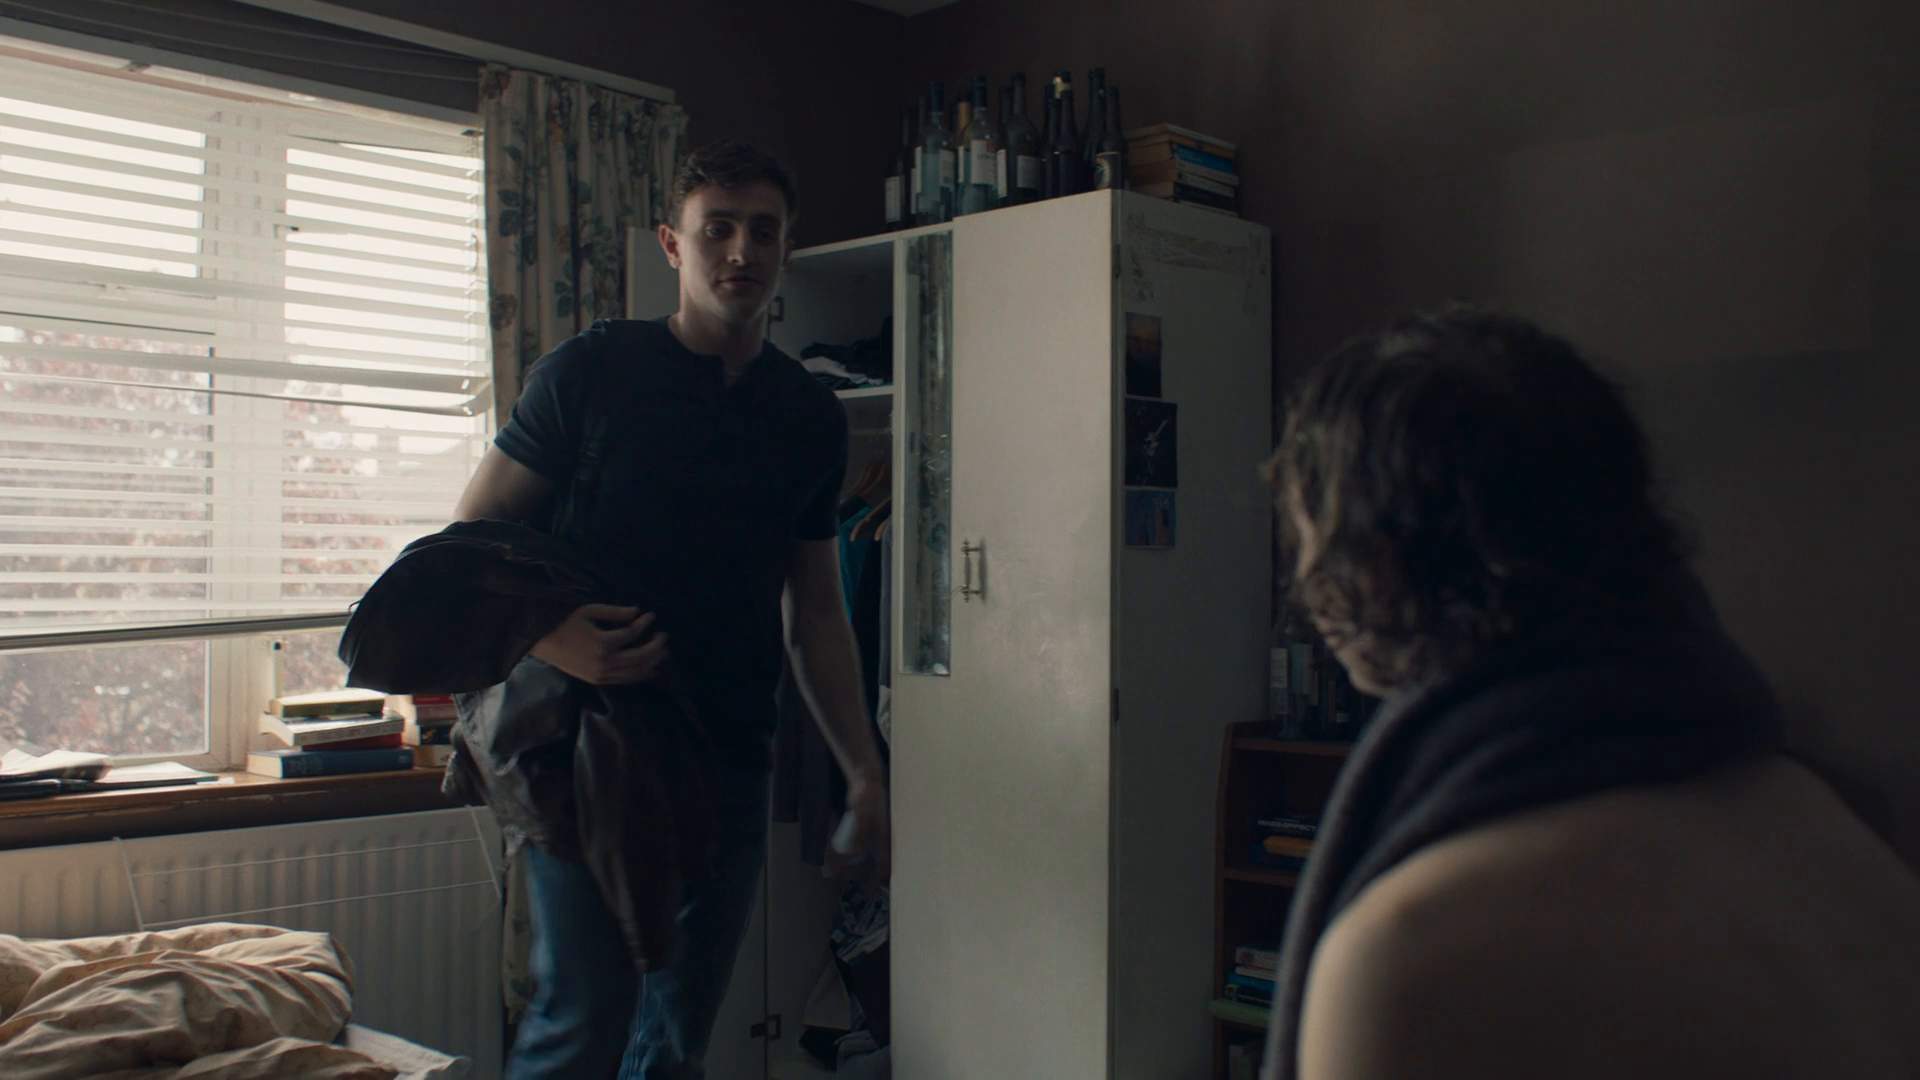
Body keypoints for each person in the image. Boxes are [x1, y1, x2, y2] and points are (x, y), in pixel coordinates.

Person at [1259, 307, 1920, 1080]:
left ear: (1380, 560)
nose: (1304, 581)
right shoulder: (1825, 828)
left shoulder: (1412, 947)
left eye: (1310, 536)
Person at [452, 141, 890, 1079]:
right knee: (581, 1025)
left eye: (762, 232)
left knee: (676, 1038)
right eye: (716, 229)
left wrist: (863, 772)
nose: (741, 251)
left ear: (785, 248)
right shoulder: (591, 373)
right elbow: (471, 538)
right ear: (672, 243)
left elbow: (817, 611)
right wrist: (554, 638)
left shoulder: (808, 416)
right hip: (588, 747)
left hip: (731, 754)